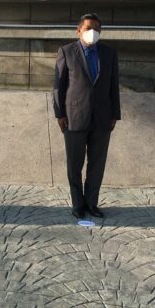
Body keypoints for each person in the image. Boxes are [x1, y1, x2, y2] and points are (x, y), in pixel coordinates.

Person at [53, 13, 121, 219]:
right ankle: (77, 204)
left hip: (102, 117)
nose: (93, 32)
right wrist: (59, 114)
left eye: (97, 29)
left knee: (97, 164)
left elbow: (113, 85)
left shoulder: (109, 53)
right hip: (74, 116)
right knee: (74, 164)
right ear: (79, 30)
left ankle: (92, 203)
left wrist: (115, 114)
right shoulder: (66, 52)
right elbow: (59, 86)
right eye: (89, 28)